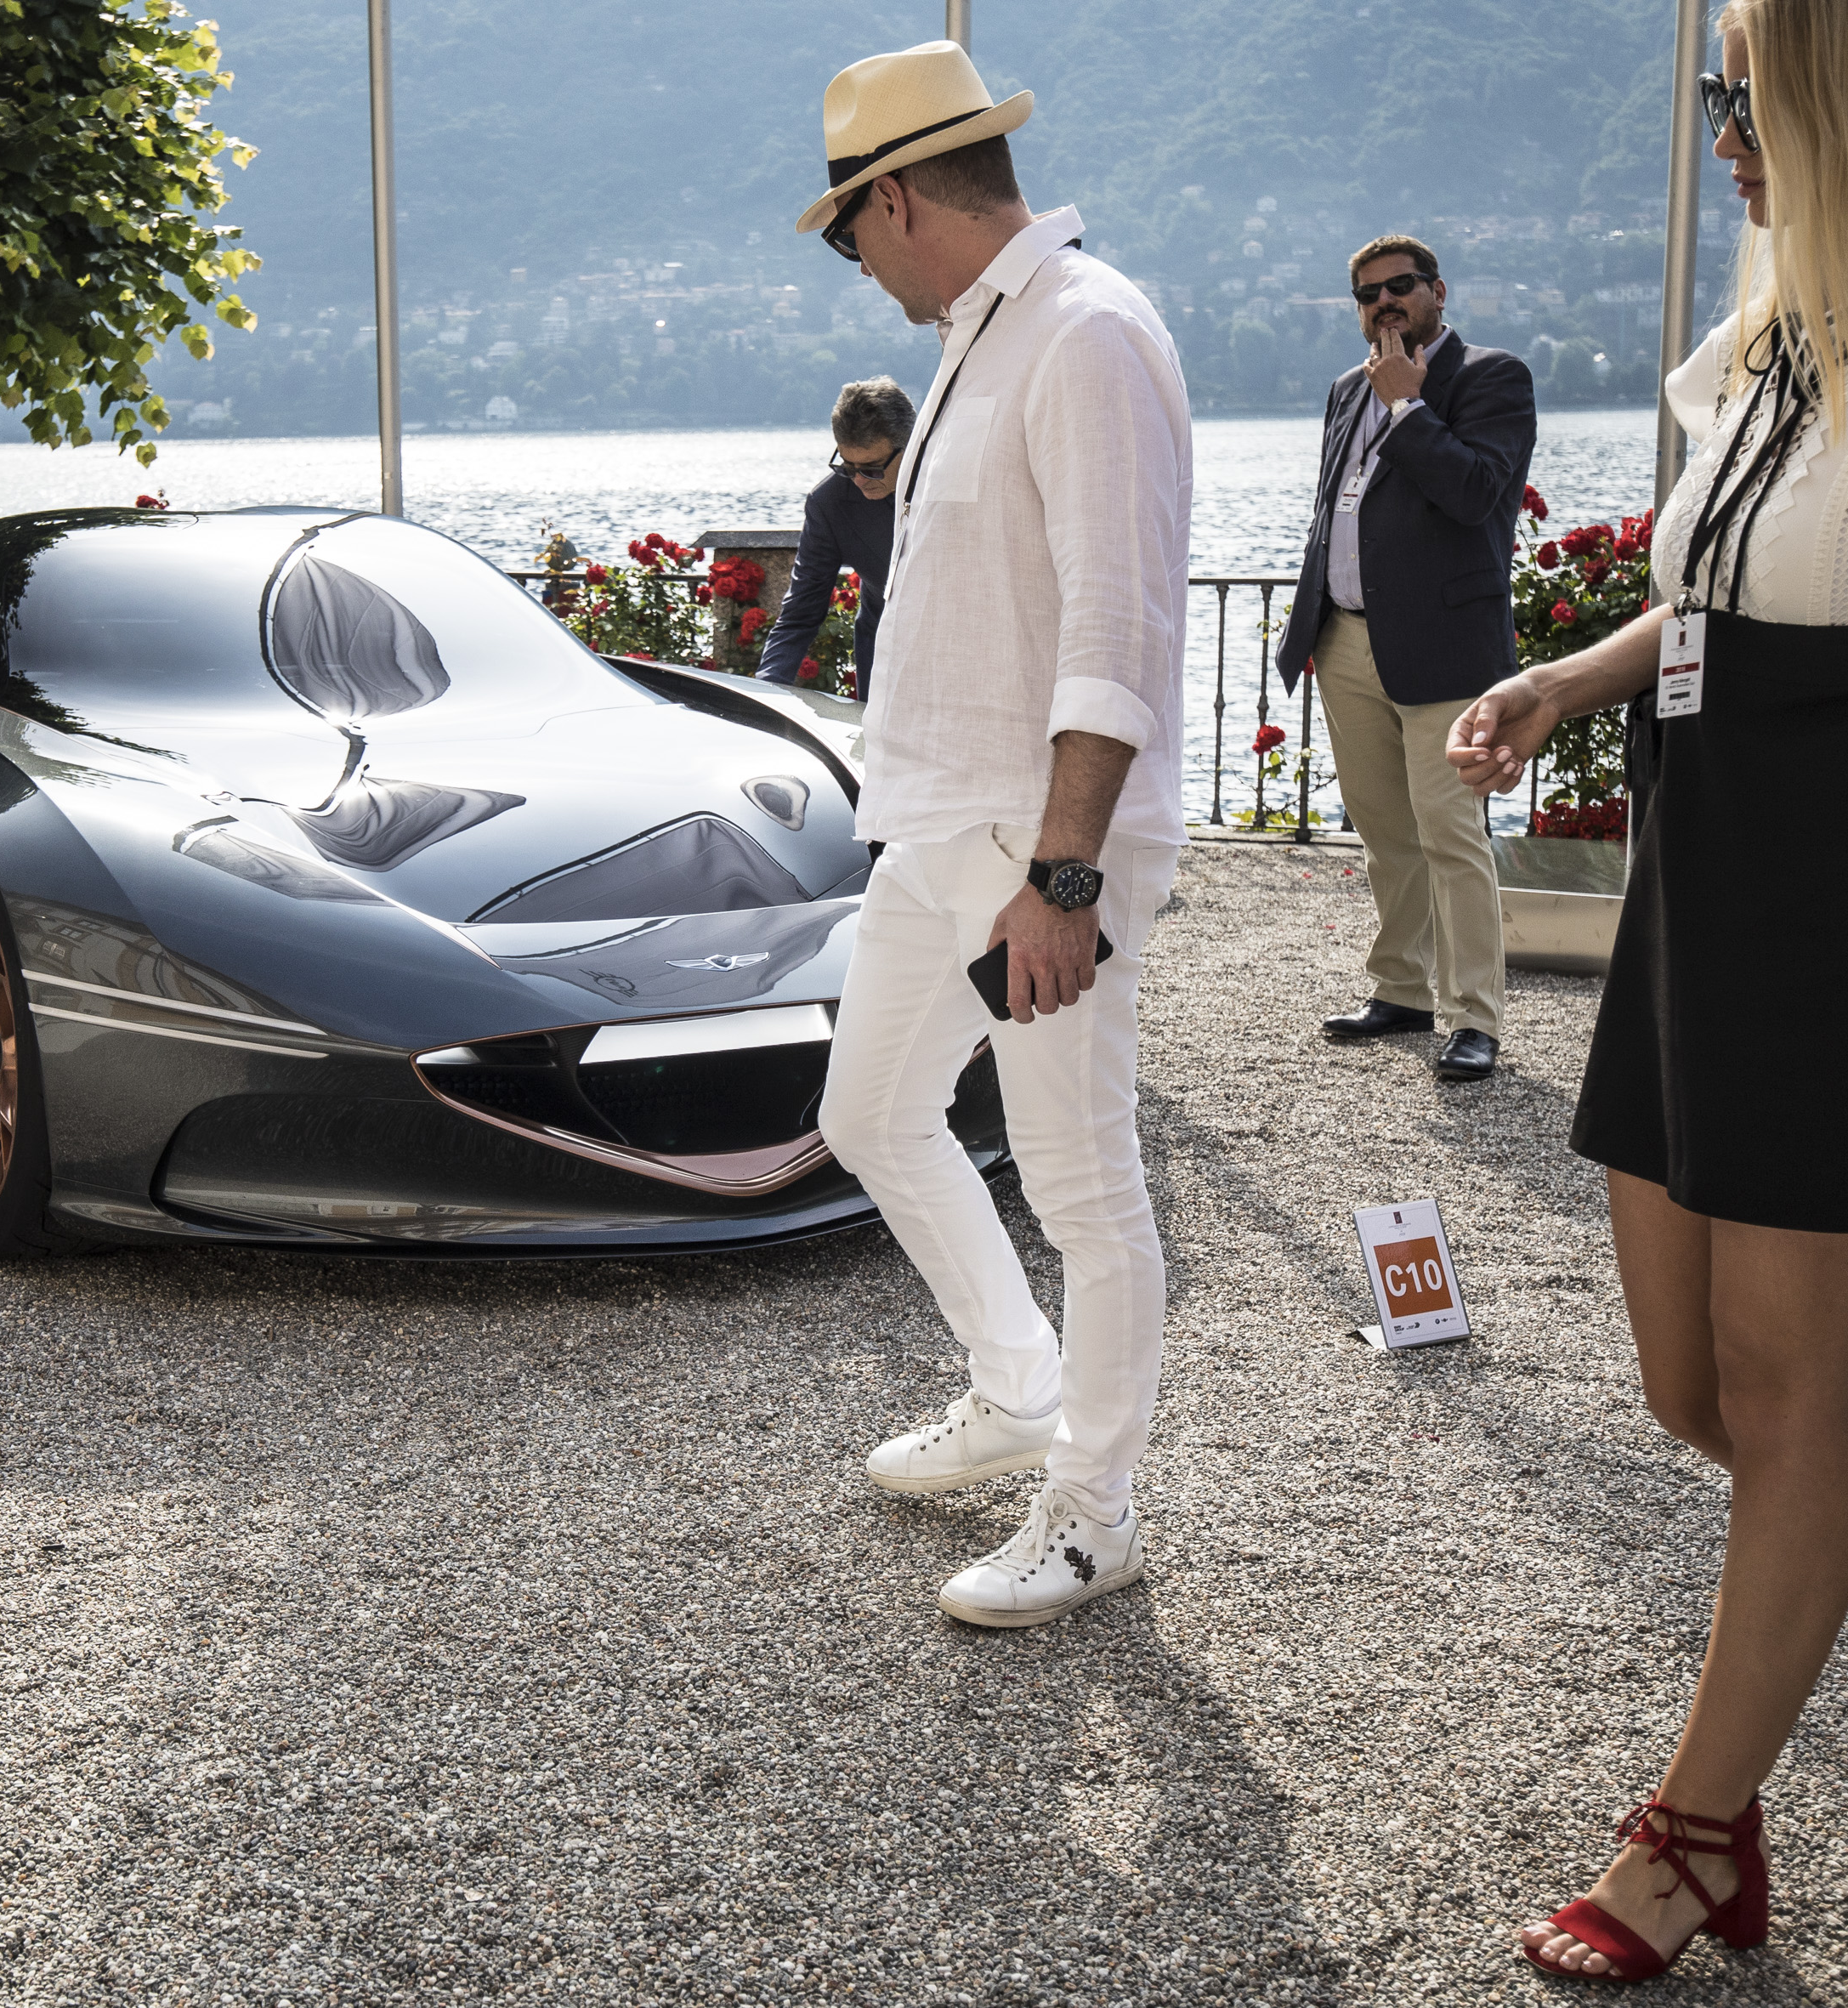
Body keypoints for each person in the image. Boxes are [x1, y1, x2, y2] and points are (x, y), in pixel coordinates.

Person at [1444, 0, 1848, 1980]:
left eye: (1749, 90)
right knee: (1690, 1391)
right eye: (1718, 88)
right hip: (1697, 879)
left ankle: (1696, 1832)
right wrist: (1567, 678)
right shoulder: (1765, 344)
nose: (1723, 125)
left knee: (1791, 1391)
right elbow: (1716, 602)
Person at [797, 40, 1193, 1629]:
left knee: (1081, 1185)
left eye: (847, 234)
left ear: (895, 199)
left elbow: (1117, 627)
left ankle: (1093, 1513)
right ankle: (1017, 1384)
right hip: (939, 828)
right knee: (867, 1113)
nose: (856, 265)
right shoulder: (987, 334)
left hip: (1040, 846)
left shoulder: (1085, 332)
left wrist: (1064, 876)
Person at [1276, 235, 1537, 1082]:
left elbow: (1473, 494)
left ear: (1437, 291)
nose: (1384, 302)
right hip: (1347, 639)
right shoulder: (1344, 390)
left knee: (1451, 834)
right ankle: (1402, 988)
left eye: (1399, 286)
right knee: (1385, 832)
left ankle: (1473, 1017)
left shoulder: (1492, 378)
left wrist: (1407, 408)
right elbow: (1336, 507)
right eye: (1368, 294)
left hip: (1445, 648)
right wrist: (1313, 622)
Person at [757, 377, 908, 692]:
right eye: (847, 466)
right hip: (881, 656)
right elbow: (801, 612)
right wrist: (766, 693)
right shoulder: (829, 502)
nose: (859, 480)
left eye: (872, 468)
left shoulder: (953, 485)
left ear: (911, 447)